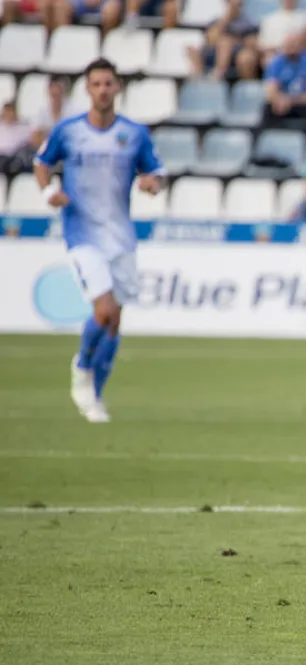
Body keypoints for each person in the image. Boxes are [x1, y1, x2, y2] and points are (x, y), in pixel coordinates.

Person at [33, 58, 164, 423]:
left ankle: (95, 396)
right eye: (96, 84)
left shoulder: (134, 133)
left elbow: (155, 170)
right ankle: (82, 368)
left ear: (117, 87)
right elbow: (41, 164)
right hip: (82, 233)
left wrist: (153, 184)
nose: (103, 90)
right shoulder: (69, 130)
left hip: (120, 236)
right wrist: (48, 194)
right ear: (88, 89)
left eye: (109, 83)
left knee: (114, 322)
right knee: (103, 311)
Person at [262, 33, 306, 131]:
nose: (291, 47)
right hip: (283, 103)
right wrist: (278, 99)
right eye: (289, 44)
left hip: (303, 102)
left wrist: (291, 101)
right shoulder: (277, 62)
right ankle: (267, 138)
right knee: (267, 108)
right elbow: (270, 91)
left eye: (294, 44)